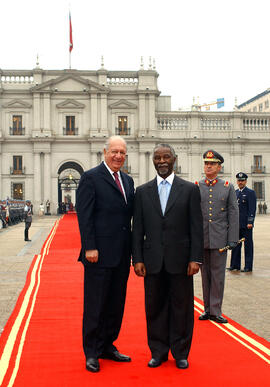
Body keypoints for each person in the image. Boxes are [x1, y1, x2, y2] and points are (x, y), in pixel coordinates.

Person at [132, 143, 204, 370]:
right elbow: (138, 229)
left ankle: (181, 352)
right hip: (152, 261)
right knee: (154, 307)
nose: (161, 161)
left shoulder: (189, 190)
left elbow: (196, 228)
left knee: (182, 308)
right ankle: (158, 351)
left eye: (165, 157)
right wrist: (137, 259)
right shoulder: (142, 192)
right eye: (157, 158)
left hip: (181, 262)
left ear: (174, 159)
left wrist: (196, 258)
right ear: (153, 161)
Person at [76, 136, 134, 373]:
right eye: (114, 151)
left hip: (121, 254)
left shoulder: (128, 181)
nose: (118, 156)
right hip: (97, 255)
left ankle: (108, 345)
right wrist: (89, 246)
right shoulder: (90, 178)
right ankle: (92, 352)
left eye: (122, 152)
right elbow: (85, 215)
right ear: (105, 152)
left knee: (115, 303)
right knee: (95, 304)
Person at [197, 150, 239, 324]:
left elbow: (233, 213)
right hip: (202, 238)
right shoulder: (197, 186)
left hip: (220, 238)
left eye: (212, 164)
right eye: (206, 163)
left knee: (218, 276)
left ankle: (216, 310)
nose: (208, 166)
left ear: (219, 167)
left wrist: (232, 239)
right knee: (205, 275)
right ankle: (207, 309)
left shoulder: (227, 186)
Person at [228, 173, 257, 272]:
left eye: (242, 180)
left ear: (245, 181)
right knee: (235, 245)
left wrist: (250, 221)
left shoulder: (250, 192)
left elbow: (252, 208)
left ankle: (248, 266)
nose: (240, 182)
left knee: (248, 246)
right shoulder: (235, 193)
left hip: (246, 224)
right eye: (239, 180)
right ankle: (235, 265)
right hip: (236, 225)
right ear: (237, 181)